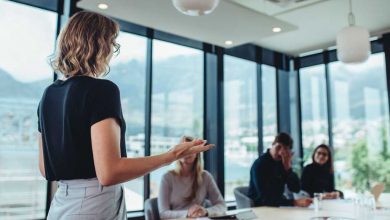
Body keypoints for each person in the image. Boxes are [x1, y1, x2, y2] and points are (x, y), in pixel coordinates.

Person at [37, 11, 213, 220]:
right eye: (112, 42)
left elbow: (45, 169)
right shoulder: (102, 90)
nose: (113, 50)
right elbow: (109, 172)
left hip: (61, 205)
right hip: (94, 205)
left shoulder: (48, 94)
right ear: (97, 44)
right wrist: (172, 155)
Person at [158, 136, 226, 219]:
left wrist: (205, 211)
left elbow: (222, 206)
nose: (187, 153)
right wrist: (188, 213)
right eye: (184, 149)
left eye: (191, 149)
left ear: (197, 153)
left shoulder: (205, 176)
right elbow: (163, 213)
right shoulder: (167, 178)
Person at [248, 132, 312, 207]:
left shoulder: (282, 163)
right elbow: (265, 198)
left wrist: (288, 167)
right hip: (260, 206)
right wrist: (293, 202)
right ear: (273, 144)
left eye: (285, 149)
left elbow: (296, 188)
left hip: (277, 205)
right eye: (278, 147)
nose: (280, 152)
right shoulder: (260, 164)